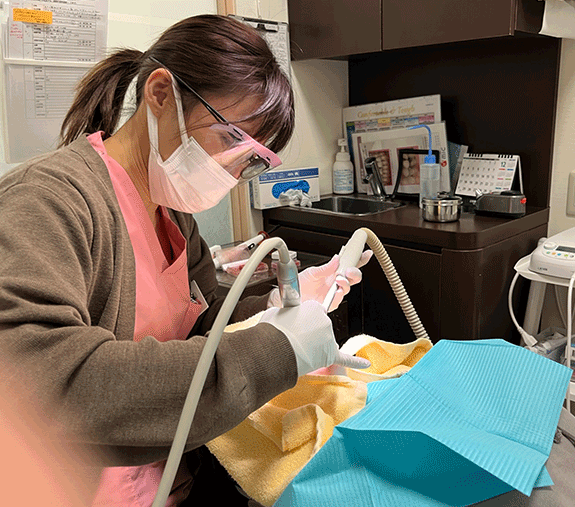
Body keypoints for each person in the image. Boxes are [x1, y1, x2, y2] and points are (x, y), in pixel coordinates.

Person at [0, 14, 371, 507]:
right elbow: (39, 384)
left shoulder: (170, 213)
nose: (234, 172)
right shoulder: (49, 201)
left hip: (172, 478)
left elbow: (200, 326)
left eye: (252, 159)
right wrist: (275, 350)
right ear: (160, 94)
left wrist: (277, 307)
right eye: (231, 139)